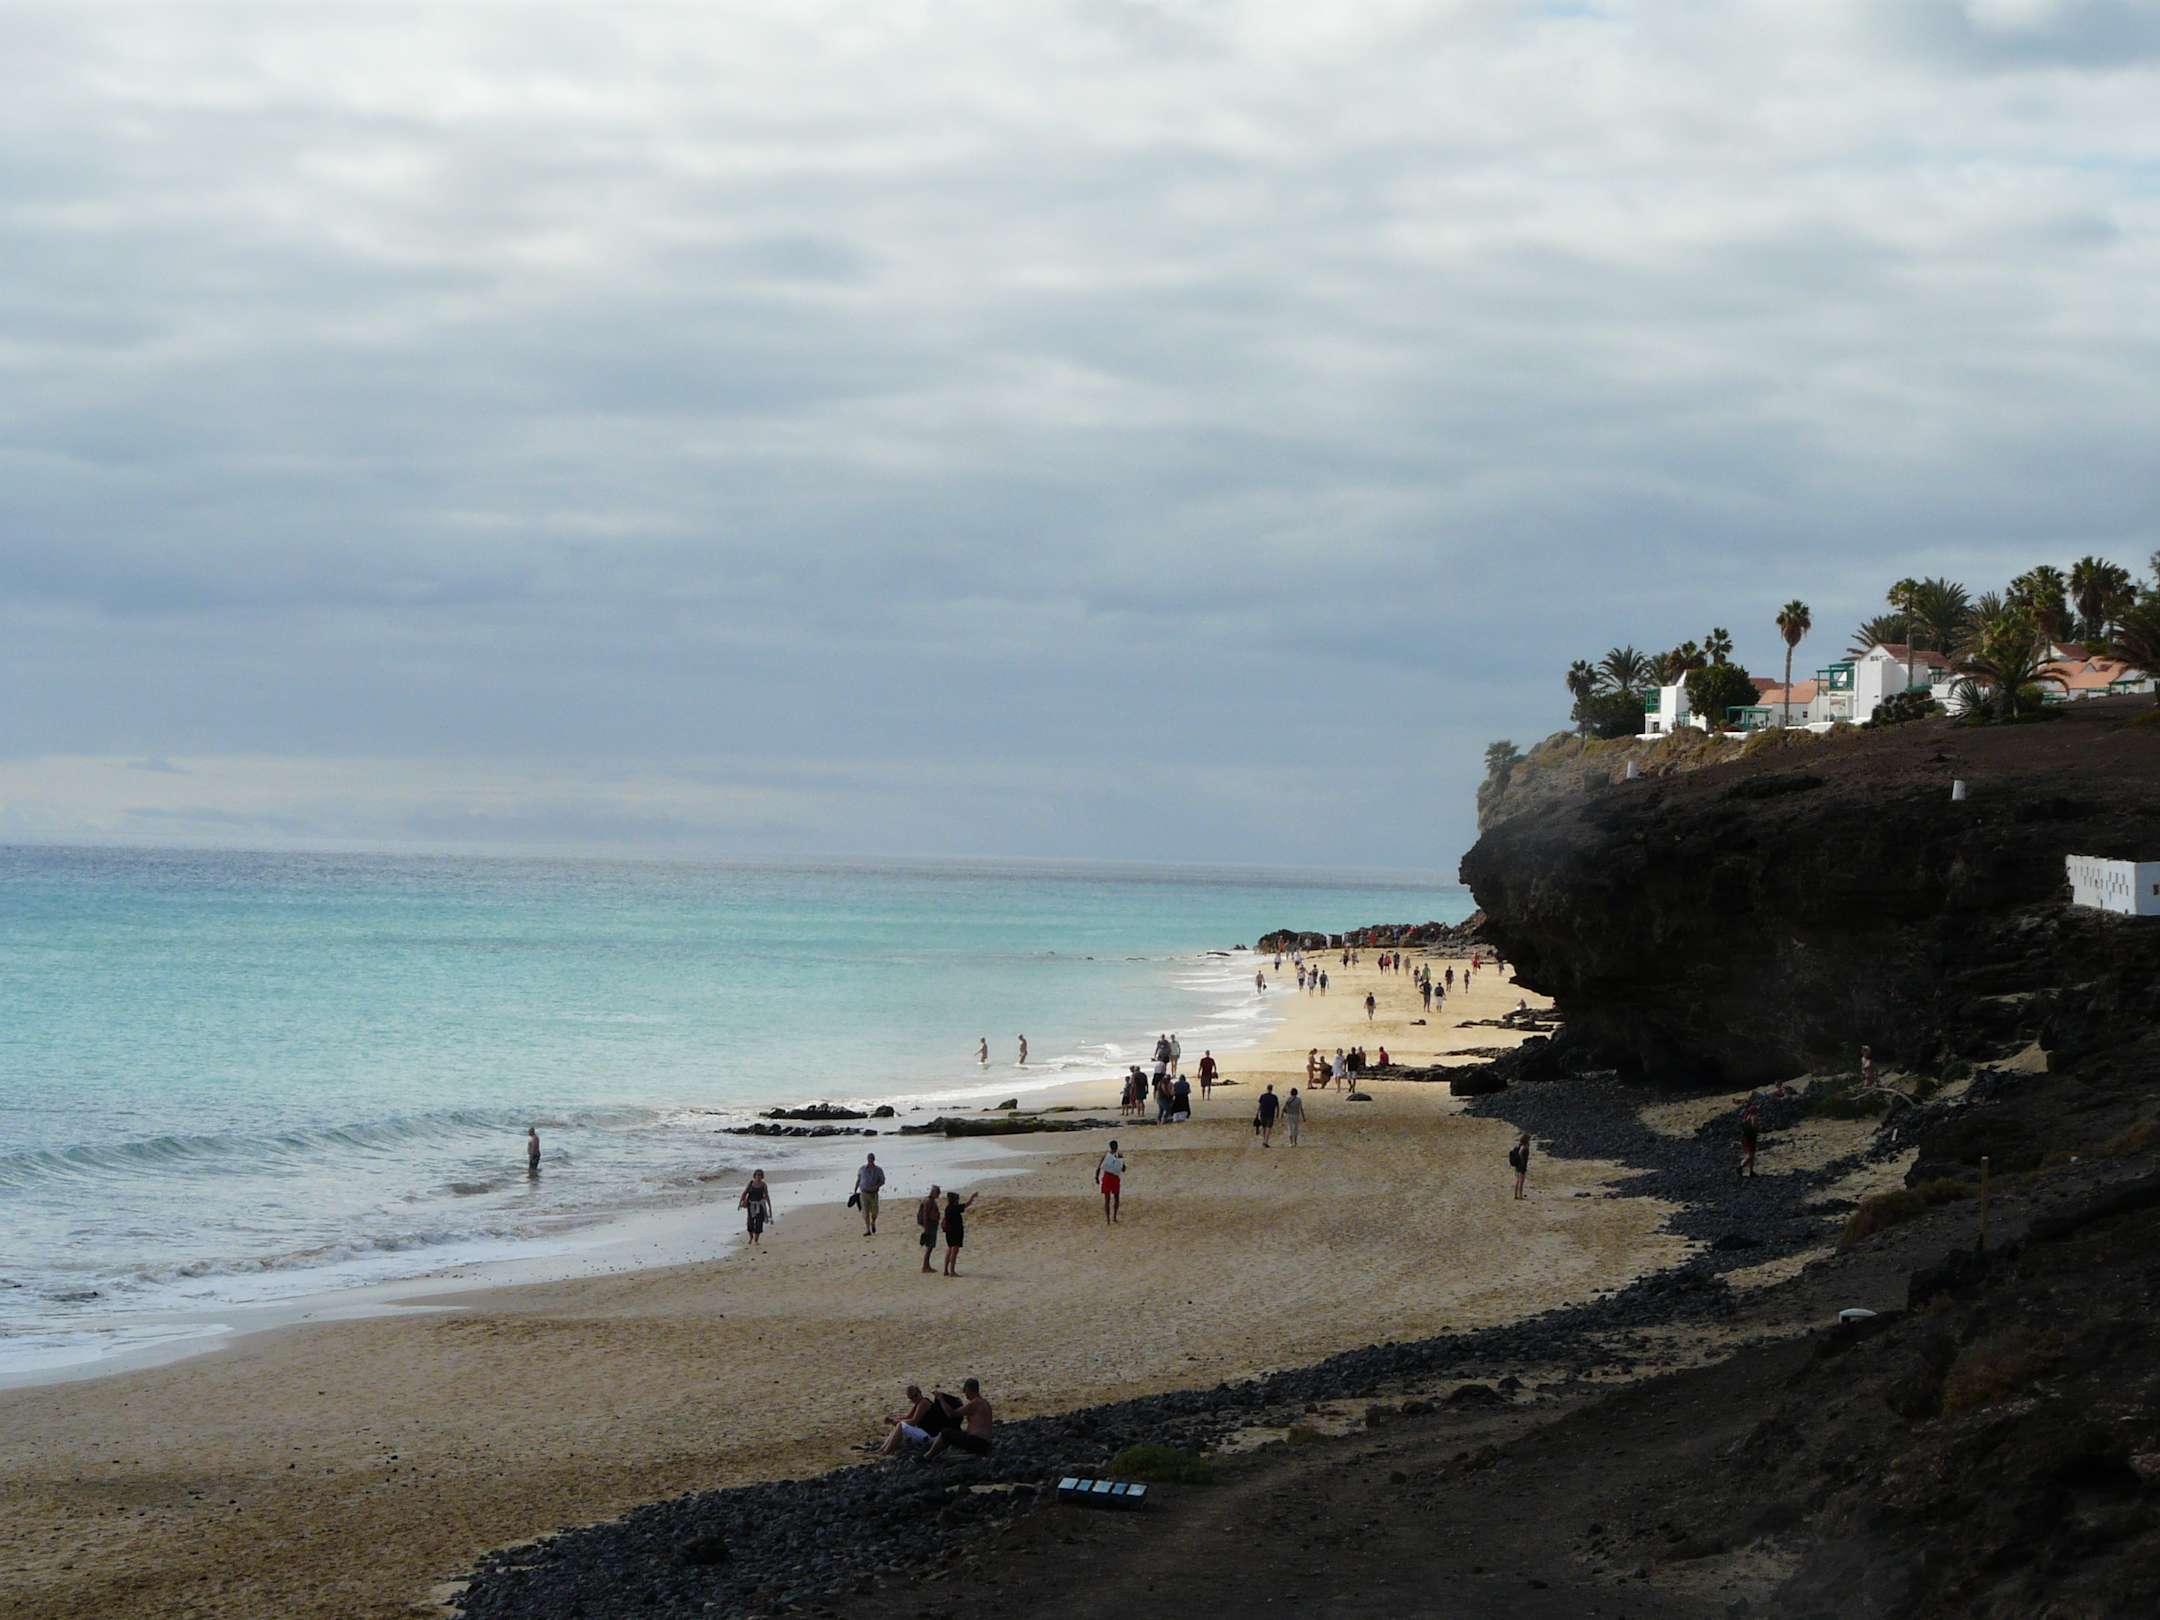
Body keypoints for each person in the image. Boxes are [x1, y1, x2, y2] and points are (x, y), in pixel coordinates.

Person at [924, 1377, 992, 1459]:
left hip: (976, 1442)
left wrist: (941, 1399)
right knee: (956, 1434)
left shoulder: (975, 1403)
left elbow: (951, 1414)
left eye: (964, 1390)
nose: (964, 1393)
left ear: (968, 1389)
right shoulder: (985, 1403)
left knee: (945, 1433)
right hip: (986, 1444)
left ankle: (928, 1456)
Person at [940, 1189, 979, 1276]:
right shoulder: (956, 1207)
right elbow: (967, 1204)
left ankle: (946, 1270)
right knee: (954, 1251)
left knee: (949, 1249)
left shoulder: (948, 1208)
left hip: (949, 1231)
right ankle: (952, 1271)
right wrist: (972, 1197)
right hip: (956, 1231)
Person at [855, 1153, 886, 1236]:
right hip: (864, 1193)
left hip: (874, 1194)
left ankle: (873, 1222)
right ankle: (868, 1230)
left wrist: (877, 1186)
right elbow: (858, 1179)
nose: (870, 1160)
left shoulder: (878, 1170)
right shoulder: (862, 1169)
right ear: (867, 1159)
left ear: (874, 1159)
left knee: (875, 1212)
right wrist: (855, 1189)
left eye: (871, 1159)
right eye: (869, 1159)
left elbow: (882, 1181)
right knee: (865, 1212)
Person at [740, 1168, 774, 1244]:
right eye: (757, 1175)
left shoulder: (764, 1185)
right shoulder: (751, 1184)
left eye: (760, 1175)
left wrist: (769, 1207)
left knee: (759, 1223)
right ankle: (751, 1237)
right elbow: (745, 1193)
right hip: (751, 1205)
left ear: (762, 1176)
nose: (758, 1176)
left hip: (760, 1205)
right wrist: (740, 1202)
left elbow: (767, 1196)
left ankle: (756, 1240)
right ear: (754, 1176)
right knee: (750, 1222)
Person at [916, 1183, 943, 1273]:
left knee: (930, 1246)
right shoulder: (928, 1201)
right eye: (938, 1193)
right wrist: (926, 1228)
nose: (938, 1195)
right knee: (930, 1246)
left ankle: (927, 1266)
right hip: (930, 1225)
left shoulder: (930, 1201)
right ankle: (925, 1266)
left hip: (932, 1224)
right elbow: (925, 1215)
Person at [1097, 1140, 1125, 1224]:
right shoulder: (1119, 1156)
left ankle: (1108, 1220)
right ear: (1117, 1147)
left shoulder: (1106, 1156)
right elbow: (1123, 1169)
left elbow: (1099, 1168)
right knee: (1116, 1198)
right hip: (1115, 1178)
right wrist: (1121, 1160)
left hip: (1107, 1178)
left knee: (1107, 1199)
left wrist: (1096, 1177)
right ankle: (1114, 1217)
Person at [1737, 1106, 1760, 1179]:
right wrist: (1758, 1129)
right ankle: (1740, 1167)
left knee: (1751, 1155)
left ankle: (1751, 1171)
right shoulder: (1753, 1117)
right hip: (1751, 1138)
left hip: (1745, 1138)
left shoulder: (1746, 1117)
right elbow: (1754, 1126)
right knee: (1751, 1155)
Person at [1509, 1133, 1532, 1200]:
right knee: (1521, 1181)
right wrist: (1522, 1161)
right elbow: (1520, 1153)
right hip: (1522, 1166)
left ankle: (1516, 1195)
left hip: (1518, 1165)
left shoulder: (1520, 1145)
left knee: (1518, 1181)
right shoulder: (1524, 1146)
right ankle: (1520, 1196)